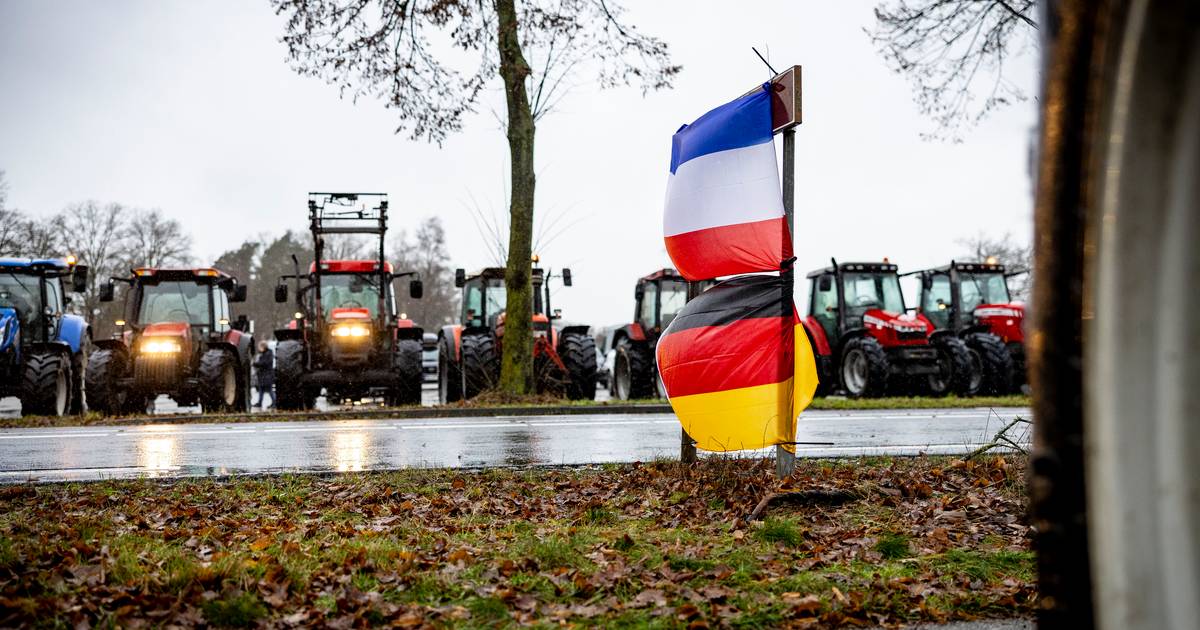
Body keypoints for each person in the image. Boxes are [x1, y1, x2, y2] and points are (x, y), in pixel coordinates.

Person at [253, 341, 275, 409]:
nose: (259, 348)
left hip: (266, 375)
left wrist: (256, 364)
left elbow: (265, 363)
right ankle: (260, 402)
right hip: (263, 375)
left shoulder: (268, 354)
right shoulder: (265, 353)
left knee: (269, 390)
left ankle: (274, 402)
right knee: (261, 390)